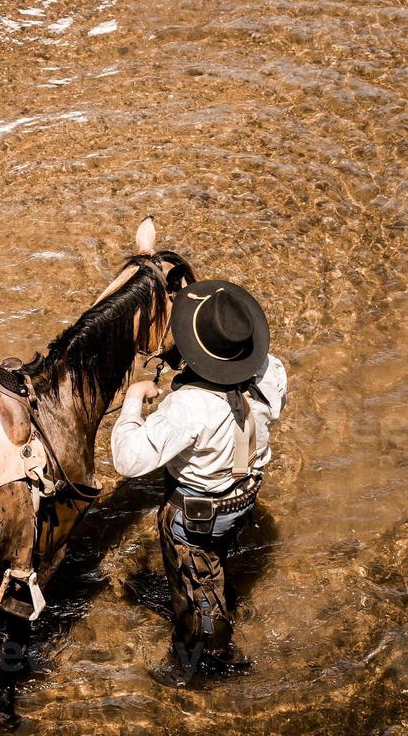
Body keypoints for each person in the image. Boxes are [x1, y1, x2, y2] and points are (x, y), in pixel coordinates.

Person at [111, 280, 287, 673]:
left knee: (200, 600)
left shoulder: (187, 407)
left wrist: (132, 402)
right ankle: (206, 588)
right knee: (213, 559)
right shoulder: (272, 370)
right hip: (244, 493)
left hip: (194, 512)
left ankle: (204, 660)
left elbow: (128, 460)